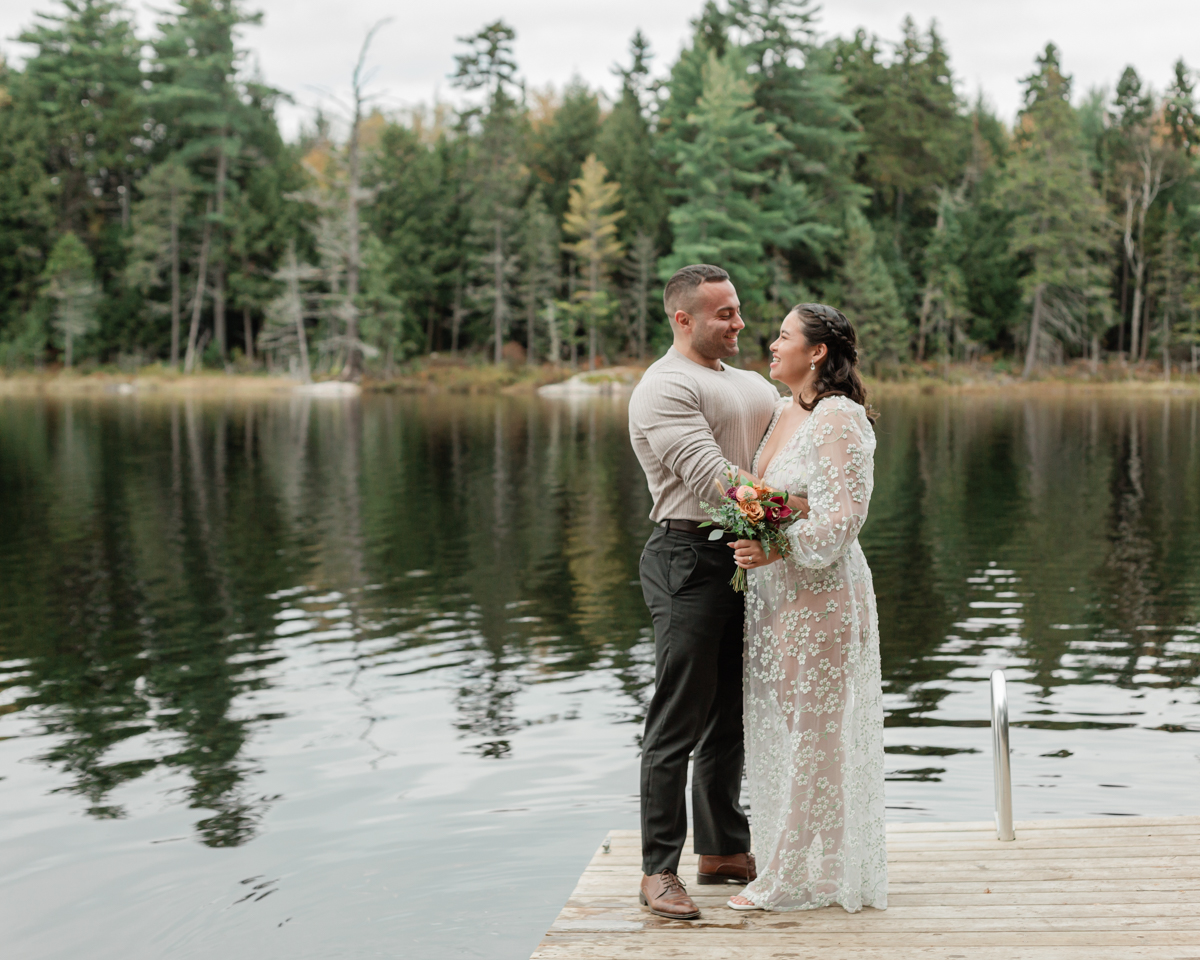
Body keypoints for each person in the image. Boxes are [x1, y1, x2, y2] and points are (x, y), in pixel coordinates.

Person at [628, 264, 797, 920]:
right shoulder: (663, 388)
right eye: (723, 313)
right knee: (678, 718)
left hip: (747, 555)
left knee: (731, 714)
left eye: (737, 309)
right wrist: (805, 515)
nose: (739, 323)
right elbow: (716, 480)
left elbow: (789, 445)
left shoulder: (752, 384)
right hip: (686, 558)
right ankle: (658, 869)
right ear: (683, 319)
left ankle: (723, 847)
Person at [726, 303, 888, 913]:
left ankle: (788, 874)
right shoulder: (785, 413)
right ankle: (830, 868)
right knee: (805, 733)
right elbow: (786, 497)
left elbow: (843, 518)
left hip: (824, 596)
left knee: (816, 737)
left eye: (785, 336)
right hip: (779, 600)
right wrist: (753, 518)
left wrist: (775, 547)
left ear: (816, 352)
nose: (772, 344)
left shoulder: (840, 418)